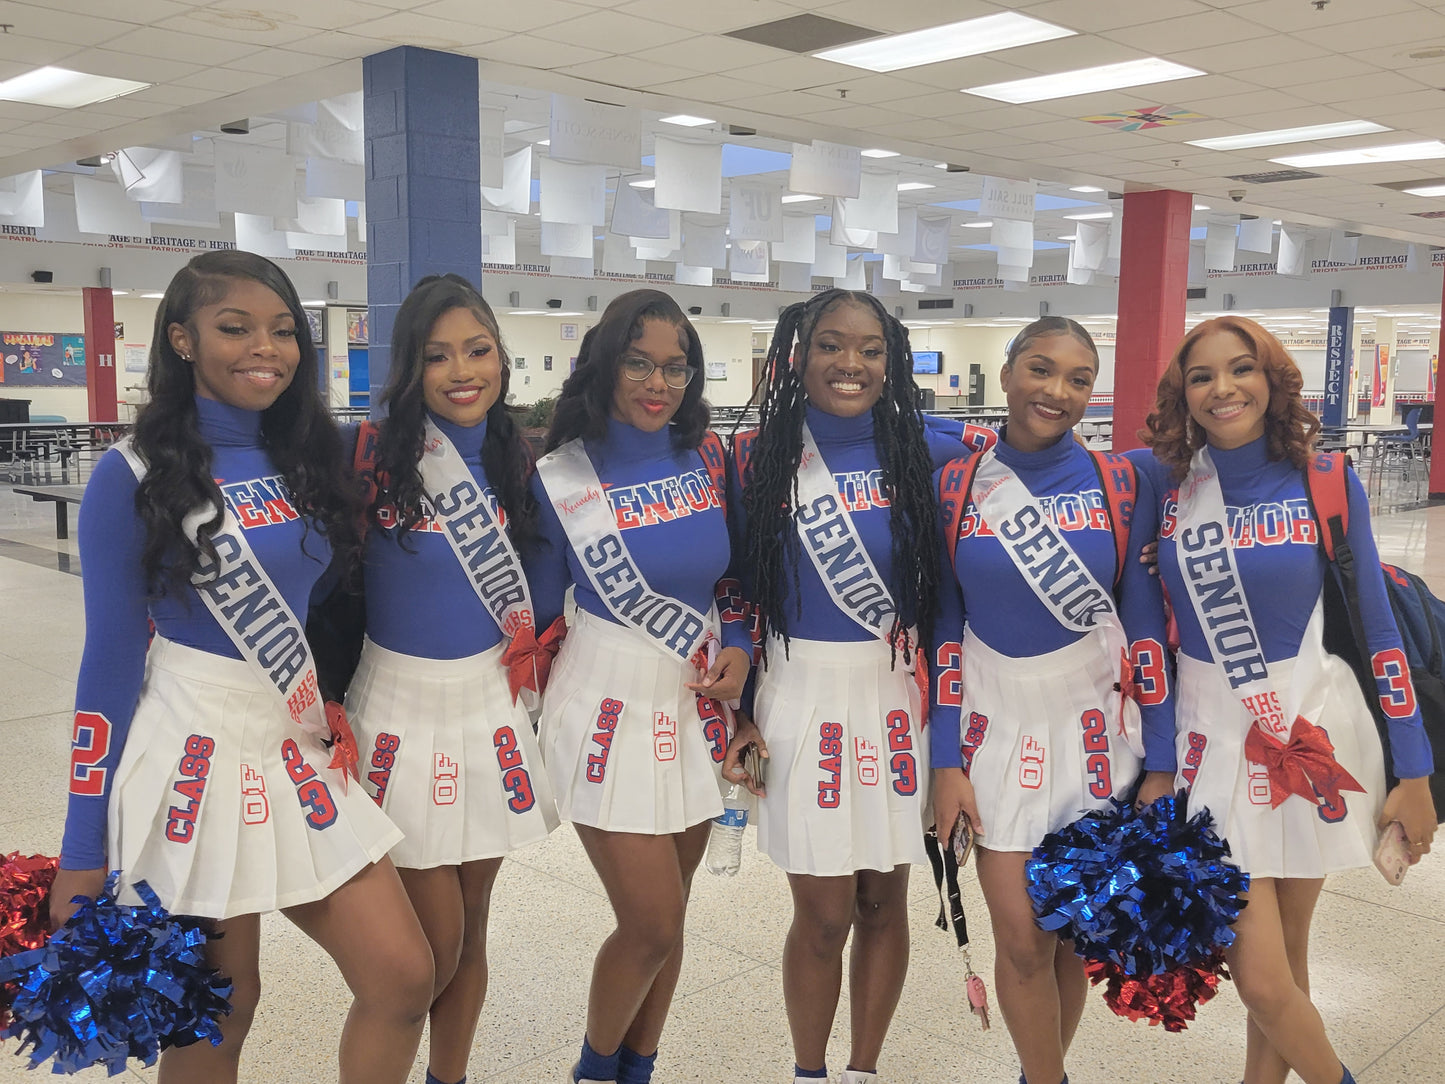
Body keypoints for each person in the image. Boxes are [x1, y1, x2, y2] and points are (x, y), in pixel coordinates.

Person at [49, 250, 434, 1084]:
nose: (267, 347)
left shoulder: (305, 455)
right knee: (217, 1011)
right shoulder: (130, 477)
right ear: (182, 339)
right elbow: (110, 662)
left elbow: (324, 599)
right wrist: (84, 847)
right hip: (194, 744)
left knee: (403, 976)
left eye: (283, 329)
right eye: (236, 328)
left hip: (289, 737)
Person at [1135, 315, 1436, 1084]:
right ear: (1182, 393)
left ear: (1272, 381)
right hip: (1207, 737)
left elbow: (1378, 632)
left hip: (1307, 729)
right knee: (1261, 978)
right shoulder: (1161, 484)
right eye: (1200, 376)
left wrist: (1413, 774)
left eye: (1241, 369)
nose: (1221, 388)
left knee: (1284, 968)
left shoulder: (1325, 480)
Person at [721, 288, 968, 1084]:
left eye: (868, 348)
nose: (850, 363)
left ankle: (863, 1069)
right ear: (799, 354)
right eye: (831, 344)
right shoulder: (759, 455)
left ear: (889, 359)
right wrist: (740, 705)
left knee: (880, 903)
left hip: (893, 695)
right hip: (797, 698)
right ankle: (807, 1070)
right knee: (822, 917)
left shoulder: (926, 450)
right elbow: (733, 585)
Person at [929, 316, 1177, 1084]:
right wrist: (944, 761)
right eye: (1039, 369)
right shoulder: (956, 481)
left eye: (1077, 378)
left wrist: (1163, 762)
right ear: (1003, 373)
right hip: (991, 727)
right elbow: (943, 625)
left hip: (1094, 731)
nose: (1057, 391)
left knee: (1070, 933)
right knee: (1020, 938)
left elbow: (1141, 626)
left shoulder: (1118, 480)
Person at [525, 289, 753, 1084]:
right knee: (649, 923)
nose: (658, 384)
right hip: (603, 704)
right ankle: (591, 1074)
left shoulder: (708, 458)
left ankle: (637, 1069)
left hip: (691, 704)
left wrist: (741, 646)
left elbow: (731, 584)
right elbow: (526, 606)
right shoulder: (558, 477)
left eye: (675, 368)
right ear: (604, 364)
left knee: (674, 913)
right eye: (639, 363)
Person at [347, 274, 560, 1084]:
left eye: (477, 350)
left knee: (471, 925)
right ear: (410, 366)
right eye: (438, 356)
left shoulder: (520, 458)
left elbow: (542, 573)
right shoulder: (368, 455)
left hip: (490, 707)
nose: (462, 370)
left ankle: (451, 1077)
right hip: (397, 707)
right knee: (427, 947)